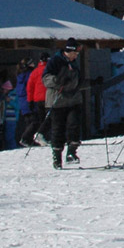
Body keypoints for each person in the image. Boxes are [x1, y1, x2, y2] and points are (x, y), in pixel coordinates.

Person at [43, 39, 84, 169]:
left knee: (74, 124)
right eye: (75, 53)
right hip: (57, 101)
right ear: (69, 51)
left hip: (73, 99)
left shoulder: (74, 62)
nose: (76, 56)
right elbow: (46, 79)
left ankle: (72, 152)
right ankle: (56, 157)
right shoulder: (55, 61)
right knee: (57, 129)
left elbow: (78, 79)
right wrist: (59, 80)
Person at [21, 52, 48, 146]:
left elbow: (30, 87)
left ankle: (34, 137)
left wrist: (30, 100)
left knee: (40, 119)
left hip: (36, 99)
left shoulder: (35, 71)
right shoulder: (49, 69)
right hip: (47, 97)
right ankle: (41, 135)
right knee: (49, 118)